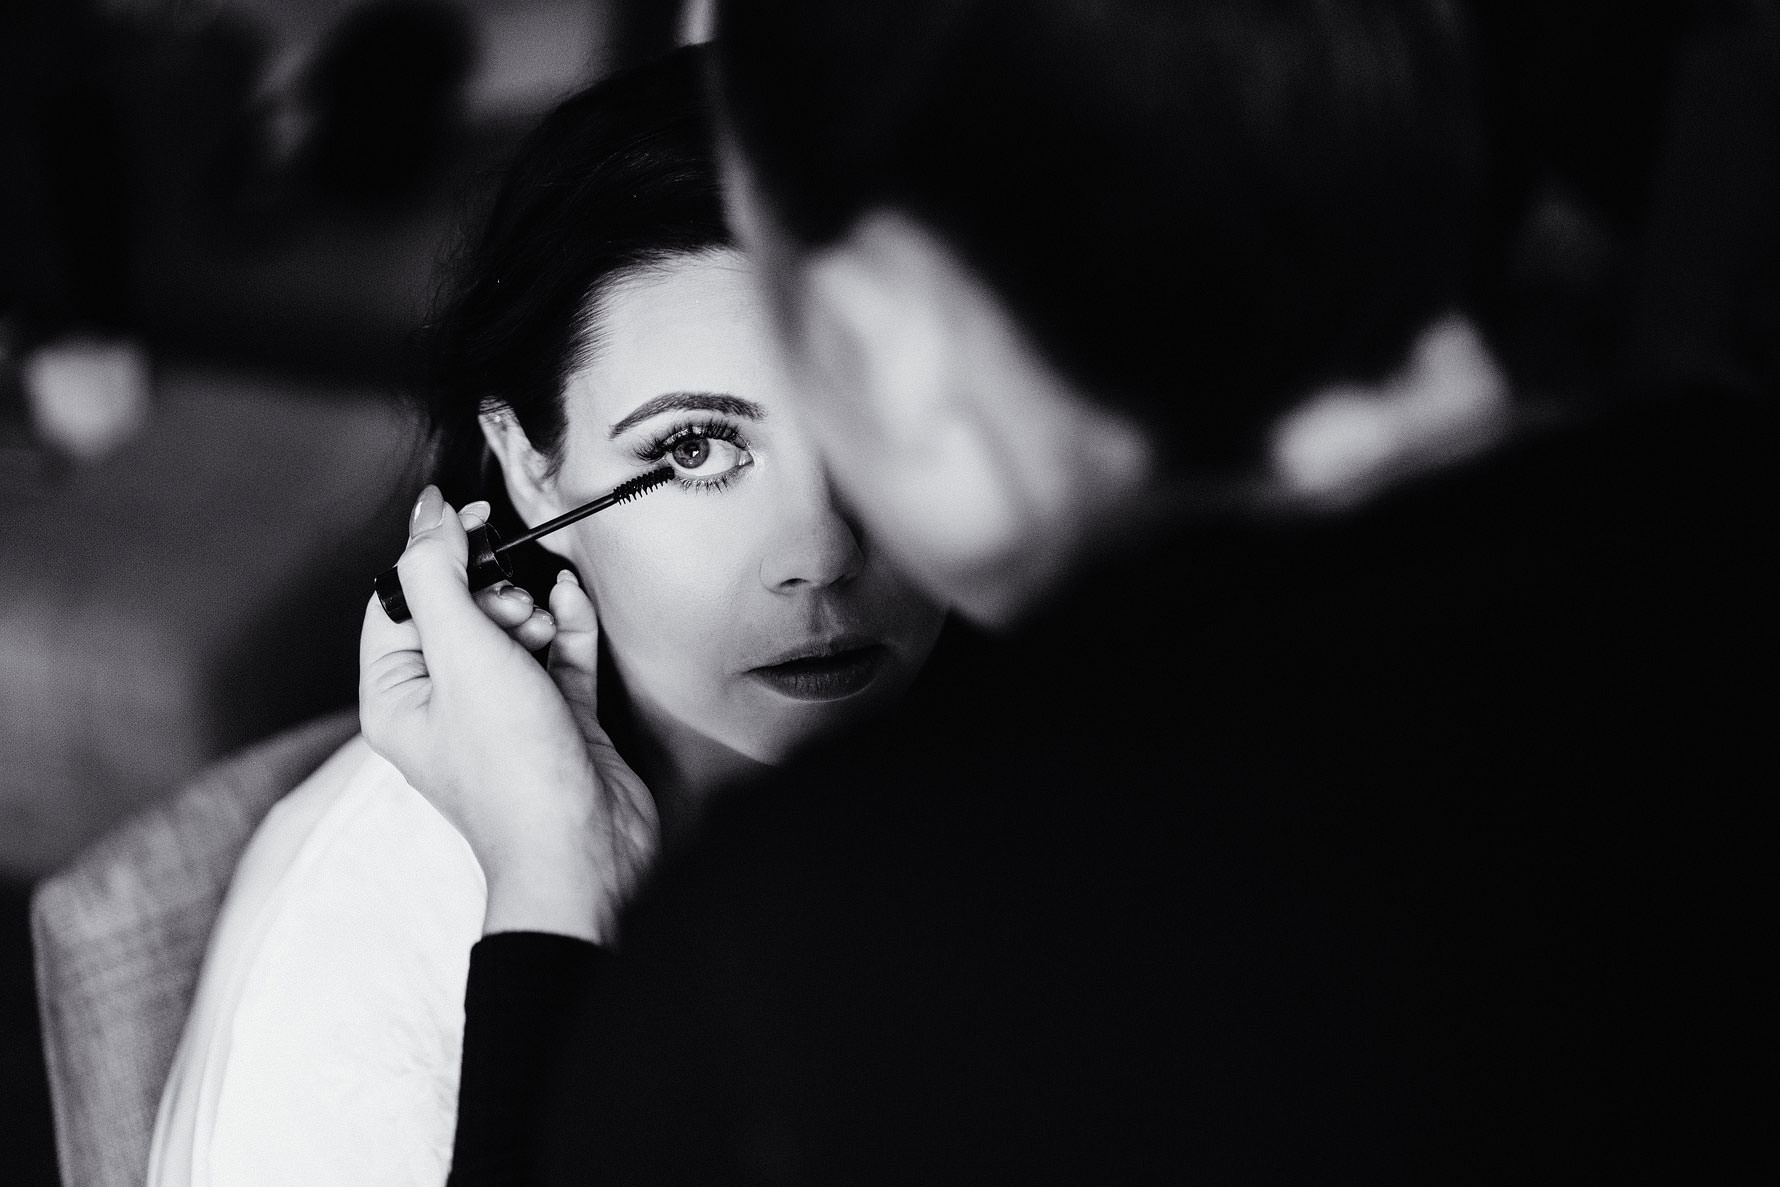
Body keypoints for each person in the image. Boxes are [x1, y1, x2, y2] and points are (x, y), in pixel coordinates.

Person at [364, 2, 1775, 1181]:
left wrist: (553, 890)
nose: (818, 539)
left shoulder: (809, 959)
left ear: (892, 339)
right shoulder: (1715, 550)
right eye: (696, 444)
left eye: (817, 363)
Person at [147, 47, 943, 1187]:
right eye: (695, 447)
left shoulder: (1077, 766)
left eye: (872, 419)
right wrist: (556, 887)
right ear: (531, 468)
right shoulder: (362, 971)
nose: (821, 552)